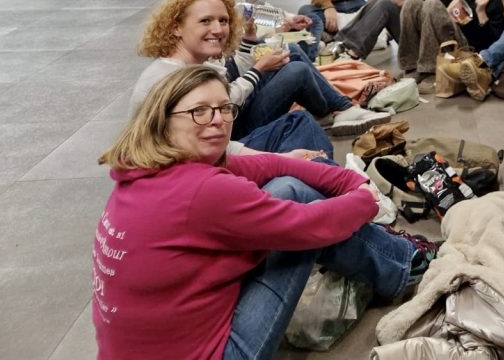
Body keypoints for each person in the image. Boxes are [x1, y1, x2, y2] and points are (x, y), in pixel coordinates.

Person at [93, 66, 436, 360]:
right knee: (304, 215)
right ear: (163, 121)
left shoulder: (140, 172)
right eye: (199, 111)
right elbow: (309, 225)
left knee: (290, 185)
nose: (218, 120)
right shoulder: (204, 190)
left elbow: (267, 164)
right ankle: (407, 264)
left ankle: (398, 259)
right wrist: (364, 199)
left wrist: (349, 181)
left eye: (225, 108)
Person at [132, 0, 389, 139]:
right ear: (176, 27)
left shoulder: (196, 59)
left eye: (223, 21)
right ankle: (337, 109)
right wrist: (257, 70)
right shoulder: (176, 75)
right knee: (298, 76)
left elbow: (229, 80)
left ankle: (338, 108)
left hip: (224, 129)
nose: (218, 29)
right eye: (205, 21)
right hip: (226, 136)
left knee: (292, 53)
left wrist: (250, 39)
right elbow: (226, 103)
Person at [403, 0, 504, 94]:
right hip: (451, 43)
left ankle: (430, 72)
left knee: (432, 3)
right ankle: (412, 67)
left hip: (471, 51)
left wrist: (481, 13)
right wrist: (449, 19)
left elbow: (496, 43)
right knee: (412, 2)